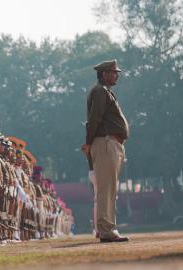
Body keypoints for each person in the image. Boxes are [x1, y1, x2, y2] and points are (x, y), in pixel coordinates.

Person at [81, 59, 129, 243]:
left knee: (108, 189)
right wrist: (88, 142)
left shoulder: (104, 91)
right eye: (113, 72)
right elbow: (94, 119)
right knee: (106, 189)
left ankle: (106, 228)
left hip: (109, 143)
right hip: (105, 143)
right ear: (104, 74)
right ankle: (107, 229)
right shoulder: (100, 91)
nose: (117, 74)